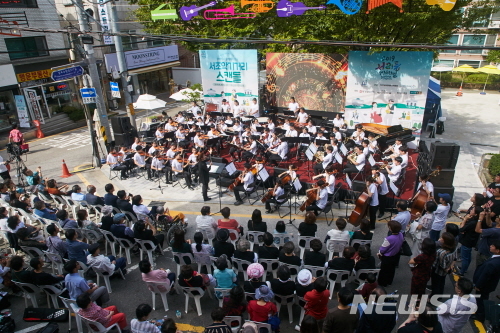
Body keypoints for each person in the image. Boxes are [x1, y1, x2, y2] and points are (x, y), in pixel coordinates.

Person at [472, 239, 500, 321]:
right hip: (490, 285)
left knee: (480, 300)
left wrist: (478, 285)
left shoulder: (492, 263)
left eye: (493, 246)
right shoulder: (496, 260)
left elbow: (485, 276)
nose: (490, 246)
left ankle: (480, 316)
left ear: (498, 250)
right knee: (483, 299)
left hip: (483, 286)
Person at [377, 220, 404, 287]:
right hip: (395, 255)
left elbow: (382, 249)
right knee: (392, 270)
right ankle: (389, 281)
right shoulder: (400, 234)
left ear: (391, 229)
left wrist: (379, 253)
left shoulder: (389, 239)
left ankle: (382, 283)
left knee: (384, 271)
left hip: (387, 257)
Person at [457, 206, 481, 276]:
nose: (471, 210)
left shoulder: (472, 223)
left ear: (476, 214)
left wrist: (465, 220)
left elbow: (461, 229)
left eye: (473, 210)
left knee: (465, 257)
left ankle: (462, 272)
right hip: (471, 240)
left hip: (467, 241)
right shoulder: (477, 221)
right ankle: (465, 268)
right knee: (468, 256)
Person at [430, 232, 456, 296]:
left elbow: (442, 266)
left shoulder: (441, 252)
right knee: (442, 283)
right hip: (445, 271)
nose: (440, 238)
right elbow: (455, 259)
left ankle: (433, 298)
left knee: (435, 285)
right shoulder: (453, 249)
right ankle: (440, 295)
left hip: (437, 271)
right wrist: (451, 267)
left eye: (441, 238)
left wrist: (447, 269)